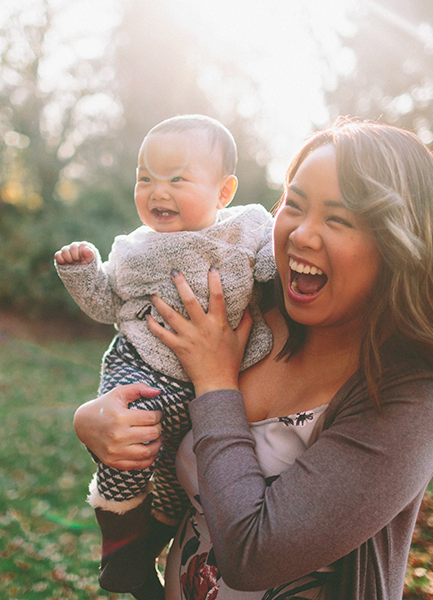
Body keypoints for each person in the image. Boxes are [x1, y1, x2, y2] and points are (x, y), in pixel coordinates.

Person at [74, 119, 433, 600]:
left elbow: (252, 555)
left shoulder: (413, 397)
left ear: (398, 242)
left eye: (338, 219)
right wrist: (97, 423)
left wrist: (216, 384)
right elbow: (159, 413)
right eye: (294, 205)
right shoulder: (248, 314)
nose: (302, 234)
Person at [55, 115, 275, 597]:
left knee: (181, 484)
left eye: (177, 179)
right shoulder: (136, 250)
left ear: (224, 191)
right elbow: (107, 305)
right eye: (145, 178)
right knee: (130, 443)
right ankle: (120, 552)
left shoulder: (250, 228)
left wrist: (280, 254)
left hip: (204, 389)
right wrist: (83, 273)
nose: (158, 191)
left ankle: (141, 556)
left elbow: (272, 261)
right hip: (141, 368)